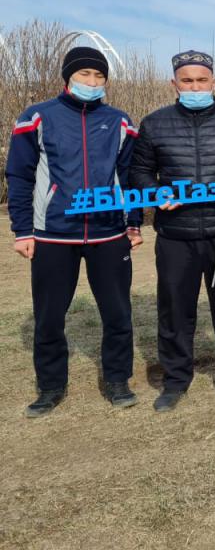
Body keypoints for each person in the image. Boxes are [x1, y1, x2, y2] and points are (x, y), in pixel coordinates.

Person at [6, 46, 143, 417]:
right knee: (49, 315)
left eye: (99, 76)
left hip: (109, 234)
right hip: (53, 234)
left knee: (117, 313)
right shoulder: (37, 117)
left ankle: (117, 381)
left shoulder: (120, 121)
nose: (92, 82)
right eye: (85, 75)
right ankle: (50, 387)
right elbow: (19, 176)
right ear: (68, 77)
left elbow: (131, 177)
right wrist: (22, 230)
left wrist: (133, 222)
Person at [130, 50, 215, 411]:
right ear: (175, 83)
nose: (195, 86)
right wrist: (156, 193)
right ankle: (175, 380)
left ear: (214, 82)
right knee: (174, 309)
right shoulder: (153, 124)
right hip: (175, 234)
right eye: (187, 81)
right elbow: (139, 172)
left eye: (202, 80)